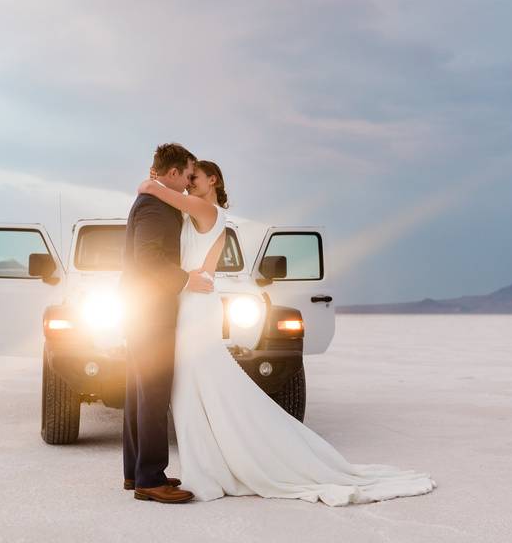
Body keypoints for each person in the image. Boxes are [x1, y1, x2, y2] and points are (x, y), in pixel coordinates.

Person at [135, 160, 437, 506]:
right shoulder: (201, 211)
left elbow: (154, 192)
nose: (188, 184)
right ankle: (207, 463)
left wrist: (153, 181)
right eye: (186, 178)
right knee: (195, 390)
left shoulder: (205, 208)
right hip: (192, 299)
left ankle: (210, 467)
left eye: (194, 178)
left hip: (195, 300)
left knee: (198, 387)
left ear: (212, 180)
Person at [119, 143, 214, 504]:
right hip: (150, 312)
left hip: (139, 309)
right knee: (154, 395)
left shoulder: (154, 202)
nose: (190, 181)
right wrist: (186, 280)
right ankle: (150, 479)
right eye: (188, 175)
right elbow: (148, 259)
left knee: (139, 394)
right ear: (172, 173)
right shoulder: (156, 206)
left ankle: (135, 472)